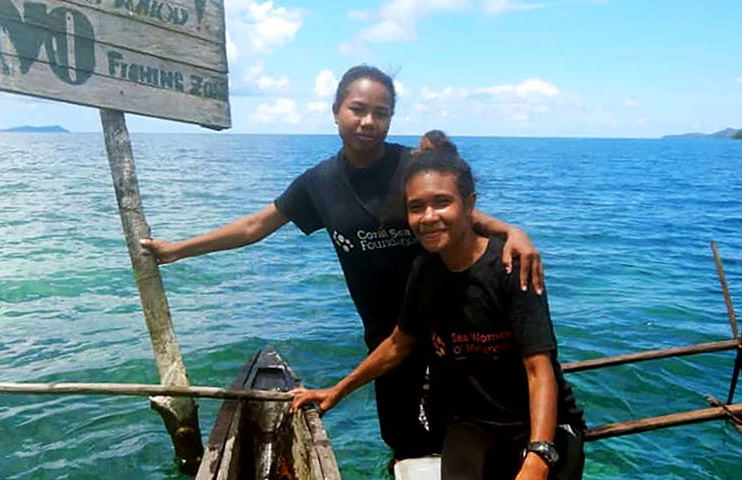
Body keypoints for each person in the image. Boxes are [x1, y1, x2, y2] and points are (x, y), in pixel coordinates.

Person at [140, 64, 546, 460]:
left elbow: (458, 216)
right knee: (401, 434)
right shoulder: (320, 183)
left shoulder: (411, 168)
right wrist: (179, 250)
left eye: (381, 113)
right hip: (386, 336)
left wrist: (513, 232)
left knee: (462, 427)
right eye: (357, 109)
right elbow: (255, 226)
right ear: (336, 111)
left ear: (391, 119)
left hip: (448, 326)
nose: (368, 121)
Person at [290, 149, 585, 480]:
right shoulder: (425, 271)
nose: (428, 216)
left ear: (469, 205)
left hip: (541, 421)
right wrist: (337, 390)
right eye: (416, 207)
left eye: (442, 202)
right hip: (471, 423)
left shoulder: (510, 267)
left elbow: (538, 369)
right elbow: (399, 344)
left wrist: (539, 455)